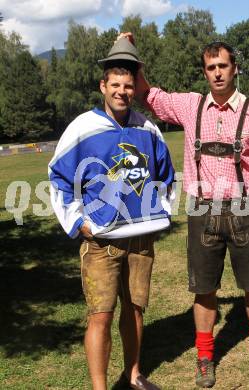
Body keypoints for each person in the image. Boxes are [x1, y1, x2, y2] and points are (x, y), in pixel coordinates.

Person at [118, 33, 249, 388]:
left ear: (234, 68)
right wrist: (130, 52)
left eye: (223, 66)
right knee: (204, 289)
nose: (217, 73)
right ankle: (205, 356)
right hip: (202, 210)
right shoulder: (190, 106)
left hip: (247, 209)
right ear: (205, 73)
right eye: (210, 68)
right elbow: (148, 94)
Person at [48, 38, 175, 390]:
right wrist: (78, 223)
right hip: (102, 242)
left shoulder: (147, 130)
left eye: (128, 86)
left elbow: (167, 175)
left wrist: (160, 213)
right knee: (100, 315)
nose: (122, 91)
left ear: (135, 89)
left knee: (134, 311)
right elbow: (58, 178)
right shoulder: (81, 128)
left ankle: (133, 375)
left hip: (140, 239)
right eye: (115, 85)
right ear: (103, 86)